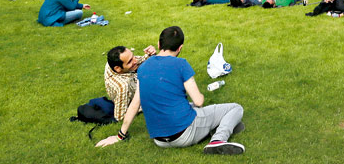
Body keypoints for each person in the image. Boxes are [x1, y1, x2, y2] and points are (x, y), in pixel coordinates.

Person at [96, 26, 245, 155]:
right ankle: (217, 140)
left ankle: (216, 126)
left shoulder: (143, 67)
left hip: (159, 140)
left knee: (191, 107)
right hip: (184, 134)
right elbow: (199, 101)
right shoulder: (181, 64)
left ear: (159, 44)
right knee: (235, 108)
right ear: (180, 48)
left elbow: (134, 105)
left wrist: (119, 136)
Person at [105, 44, 157, 122]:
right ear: (118, 68)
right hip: (130, 94)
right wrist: (140, 106)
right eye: (130, 61)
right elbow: (120, 116)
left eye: (133, 56)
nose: (135, 60)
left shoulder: (112, 63)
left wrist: (150, 54)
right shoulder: (123, 86)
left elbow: (139, 61)